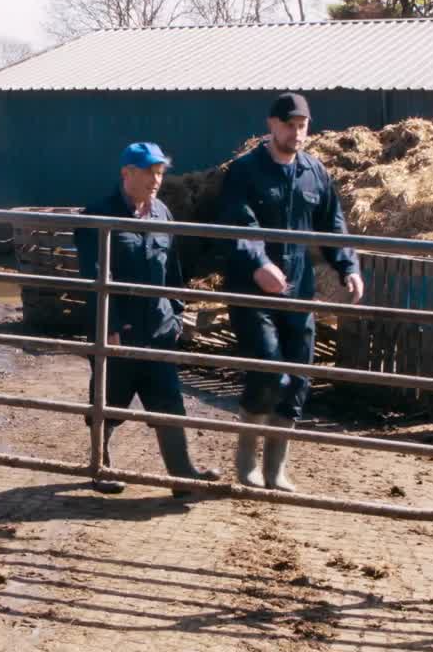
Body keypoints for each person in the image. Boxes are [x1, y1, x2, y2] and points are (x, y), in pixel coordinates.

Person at [217, 93, 365, 492]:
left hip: (299, 286)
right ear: (272, 125)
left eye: (302, 125)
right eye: (289, 124)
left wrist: (347, 266)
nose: (296, 132)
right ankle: (246, 459)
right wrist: (259, 264)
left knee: (298, 375)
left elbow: (332, 223)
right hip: (254, 288)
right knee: (268, 369)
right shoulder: (245, 171)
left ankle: (275, 469)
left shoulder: (314, 172)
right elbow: (237, 225)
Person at [74, 142, 222, 498]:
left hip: (157, 328)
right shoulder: (98, 215)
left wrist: (175, 312)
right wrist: (109, 327)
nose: (156, 180)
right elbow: (92, 278)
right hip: (119, 331)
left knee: (169, 401)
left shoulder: (162, 214)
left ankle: (182, 476)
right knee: (109, 402)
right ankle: (100, 465)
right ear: (127, 173)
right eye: (149, 172)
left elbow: (173, 270)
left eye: (160, 173)